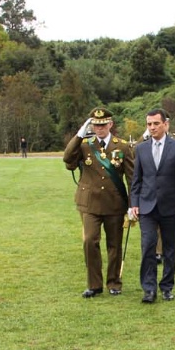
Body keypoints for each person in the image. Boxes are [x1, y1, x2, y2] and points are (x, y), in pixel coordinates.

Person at [63, 107, 135, 297]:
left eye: (103, 125)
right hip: (90, 204)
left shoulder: (123, 146)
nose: (99, 128)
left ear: (110, 124)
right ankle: (94, 284)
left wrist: (133, 205)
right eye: (95, 125)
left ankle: (113, 282)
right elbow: (67, 159)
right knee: (89, 241)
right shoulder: (85, 145)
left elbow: (132, 178)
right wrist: (79, 134)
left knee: (114, 245)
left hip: (114, 203)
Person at [129, 108, 175, 303]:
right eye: (149, 124)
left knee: (169, 249)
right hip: (147, 206)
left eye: (156, 123)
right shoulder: (141, 149)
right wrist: (134, 204)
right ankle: (149, 289)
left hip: (171, 206)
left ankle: (167, 286)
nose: (152, 127)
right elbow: (136, 180)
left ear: (165, 124)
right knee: (148, 246)